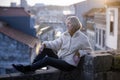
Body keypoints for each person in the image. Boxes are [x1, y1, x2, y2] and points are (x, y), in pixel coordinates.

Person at [12, 16, 92, 73]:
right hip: (61, 59)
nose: (67, 25)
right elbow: (55, 43)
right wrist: (45, 44)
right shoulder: (65, 35)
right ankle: (33, 66)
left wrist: (80, 53)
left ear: (75, 24)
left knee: (48, 60)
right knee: (46, 49)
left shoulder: (83, 38)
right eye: (66, 23)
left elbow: (89, 50)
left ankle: (27, 69)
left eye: (69, 23)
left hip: (69, 64)